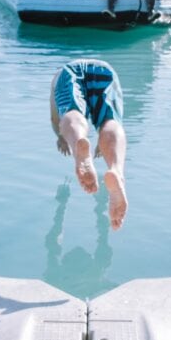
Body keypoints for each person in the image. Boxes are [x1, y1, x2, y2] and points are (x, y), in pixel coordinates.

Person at [49, 59, 129, 230]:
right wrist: (102, 144)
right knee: (110, 121)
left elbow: (56, 118)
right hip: (106, 69)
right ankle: (116, 170)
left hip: (69, 72)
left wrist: (61, 137)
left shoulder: (58, 77)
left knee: (71, 112)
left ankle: (79, 140)